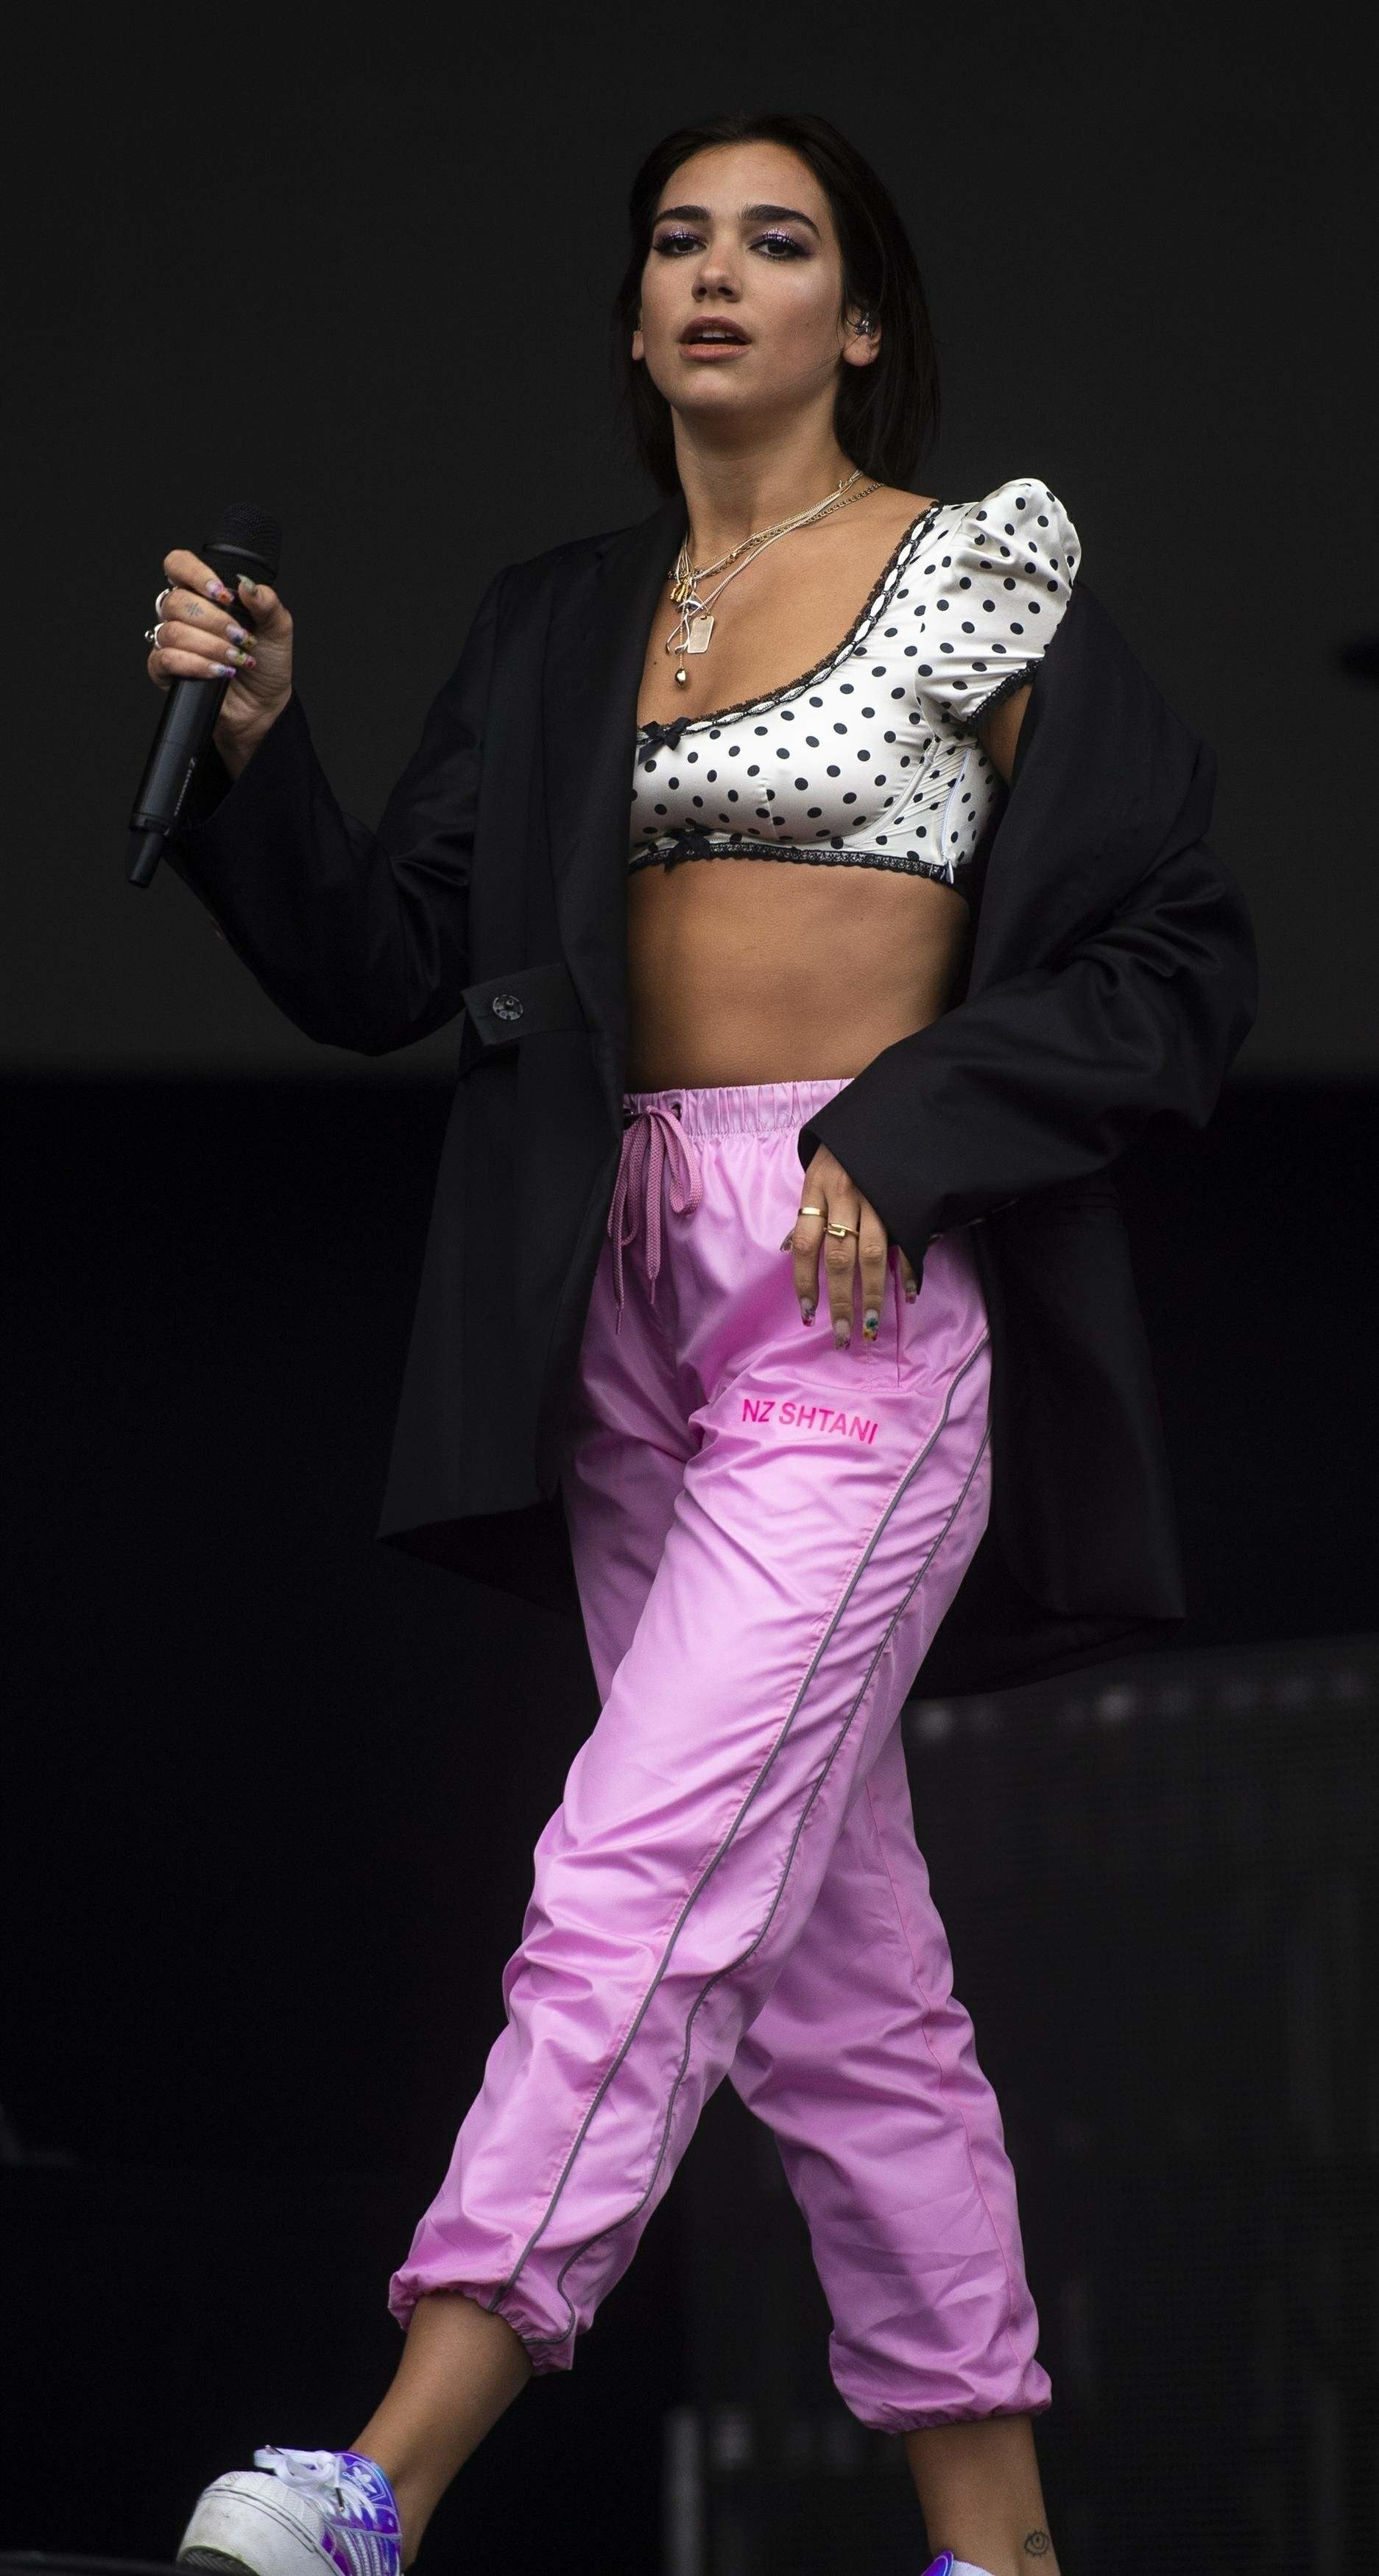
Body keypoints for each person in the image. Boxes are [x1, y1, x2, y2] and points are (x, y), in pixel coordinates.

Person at [152, 110, 1256, 2576]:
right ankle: (1001, 2547)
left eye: (778, 242)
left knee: (633, 1873)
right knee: (839, 1981)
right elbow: (379, 961)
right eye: (678, 242)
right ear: (637, 317)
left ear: (859, 321)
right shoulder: (562, 618)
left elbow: (1173, 952)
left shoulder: (975, 573)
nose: (720, 275)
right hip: (614, 1299)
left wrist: (919, 1119)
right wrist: (252, 757)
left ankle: (381, 2469)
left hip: (846, 1290)